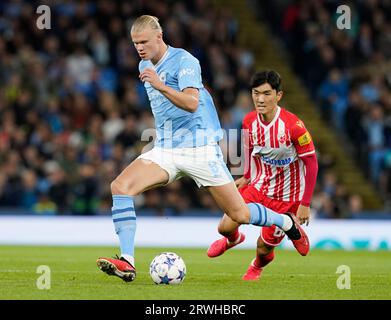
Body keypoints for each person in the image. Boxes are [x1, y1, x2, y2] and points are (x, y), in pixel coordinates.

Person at [96, 16, 308, 282]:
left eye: (144, 42)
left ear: (159, 37)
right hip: (166, 148)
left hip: (200, 148)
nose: (139, 48)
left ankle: (285, 222)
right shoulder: (144, 64)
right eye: (135, 43)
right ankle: (127, 261)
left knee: (239, 214)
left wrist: (160, 84)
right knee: (120, 187)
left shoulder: (185, 61)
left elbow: (192, 103)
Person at [207, 70, 318, 280]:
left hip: (286, 198)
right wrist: (247, 175)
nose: (260, 99)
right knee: (224, 227)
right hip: (258, 187)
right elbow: (250, 149)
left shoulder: (294, 127)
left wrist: (305, 203)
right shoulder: (249, 121)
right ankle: (233, 240)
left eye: (267, 93)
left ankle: (257, 266)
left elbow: (311, 164)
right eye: (256, 93)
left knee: (263, 249)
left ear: (279, 95)